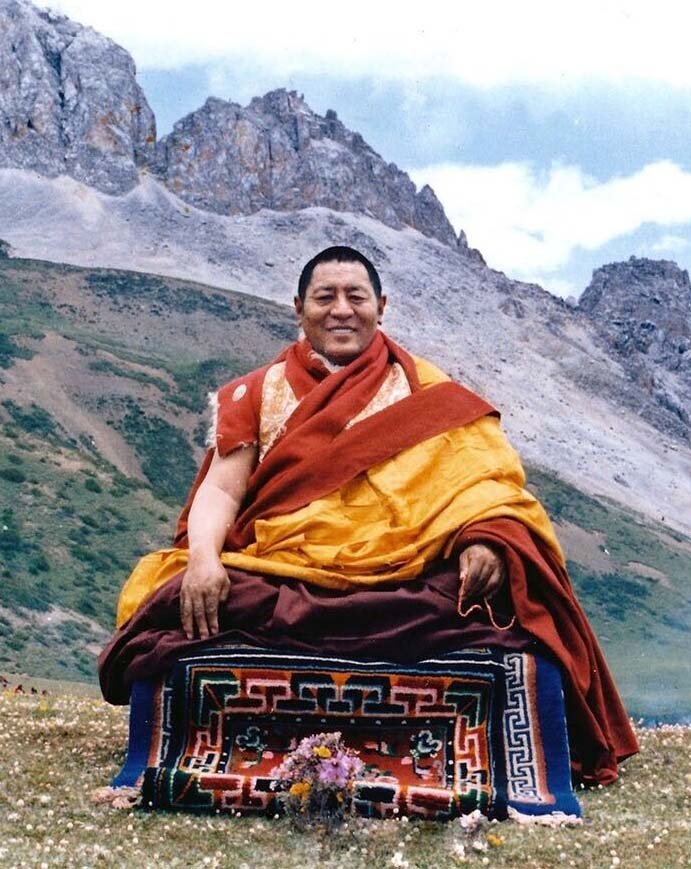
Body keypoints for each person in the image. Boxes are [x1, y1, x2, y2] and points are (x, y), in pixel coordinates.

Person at [99, 245, 638, 785]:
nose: (341, 310)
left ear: (381, 306)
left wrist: (486, 538)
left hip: (400, 575)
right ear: (298, 308)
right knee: (176, 593)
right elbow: (221, 489)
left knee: (493, 589)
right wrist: (203, 558)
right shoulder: (257, 391)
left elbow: (484, 483)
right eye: (324, 297)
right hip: (285, 568)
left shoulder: (427, 390)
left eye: (355, 297)